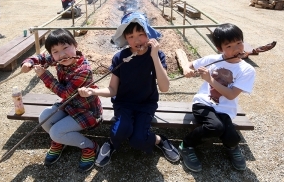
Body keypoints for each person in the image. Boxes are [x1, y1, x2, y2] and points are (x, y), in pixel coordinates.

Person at [78, 12, 180, 167]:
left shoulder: (157, 55)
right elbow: (112, 89)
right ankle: (110, 144)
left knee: (138, 140)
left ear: (148, 33)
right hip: (124, 104)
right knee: (120, 131)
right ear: (125, 38)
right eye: (131, 36)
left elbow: (164, 88)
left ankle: (160, 140)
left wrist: (154, 56)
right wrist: (93, 91)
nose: (137, 40)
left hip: (146, 104)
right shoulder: (120, 57)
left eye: (141, 34)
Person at [21, 28, 102, 172]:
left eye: (66, 48)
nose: (62, 54)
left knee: (56, 132)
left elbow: (65, 93)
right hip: (69, 106)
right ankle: (60, 142)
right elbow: (42, 57)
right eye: (55, 51)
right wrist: (28, 62)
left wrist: (44, 75)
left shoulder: (84, 70)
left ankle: (90, 146)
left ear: (75, 45)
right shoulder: (61, 58)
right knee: (44, 118)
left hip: (87, 111)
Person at [178, 23, 256, 172]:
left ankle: (232, 147)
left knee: (232, 138)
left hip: (225, 109)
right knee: (215, 127)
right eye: (229, 46)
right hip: (204, 103)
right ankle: (187, 145)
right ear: (220, 48)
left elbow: (231, 94)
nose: (236, 49)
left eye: (239, 43)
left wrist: (210, 79)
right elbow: (190, 64)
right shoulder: (213, 59)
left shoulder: (247, 70)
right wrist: (187, 69)